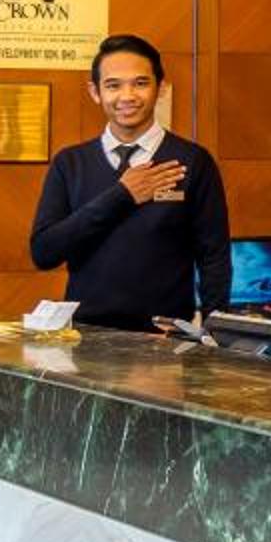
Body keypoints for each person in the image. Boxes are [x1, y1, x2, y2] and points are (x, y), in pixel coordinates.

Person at [28, 34, 232, 331]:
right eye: (113, 85)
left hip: (165, 338)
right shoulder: (70, 163)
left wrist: (215, 335)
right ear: (95, 92)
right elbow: (44, 253)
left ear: (161, 88)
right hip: (85, 337)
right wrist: (122, 194)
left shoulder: (193, 161)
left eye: (140, 83)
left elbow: (214, 258)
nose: (127, 96)